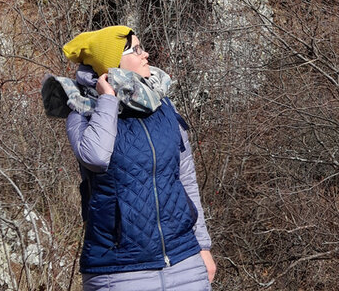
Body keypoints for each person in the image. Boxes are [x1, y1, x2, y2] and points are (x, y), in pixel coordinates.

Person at [41, 24, 217, 289]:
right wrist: (107, 100)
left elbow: (186, 178)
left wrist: (202, 245)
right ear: (113, 63)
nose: (145, 54)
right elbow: (96, 157)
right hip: (119, 270)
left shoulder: (162, 104)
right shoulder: (82, 110)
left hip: (184, 260)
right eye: (136, 50)